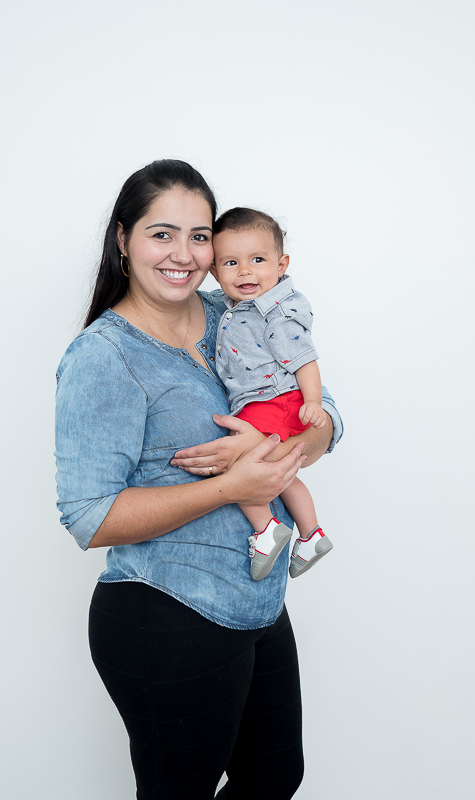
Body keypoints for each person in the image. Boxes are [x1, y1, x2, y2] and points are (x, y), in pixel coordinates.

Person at [55, 159, 343, 800]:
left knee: (274, 777)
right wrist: (231, 485)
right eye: (162, 234)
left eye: (200, 234)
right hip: (167, 616)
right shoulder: (104, 357)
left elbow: (326, 418)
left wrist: (291, 439)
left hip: (260, 605)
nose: (184, 254)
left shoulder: (233, 312)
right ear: (123, 239)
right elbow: (87, 516)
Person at [206, 207, 333, 581]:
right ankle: (311, 534)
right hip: (269, 402)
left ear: (281, 265)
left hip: (271, 401)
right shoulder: (235, 307)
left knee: (242, 467)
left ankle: (266, 529)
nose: (245, 271)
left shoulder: (274, 314)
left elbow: (305, 359)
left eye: (257, 260)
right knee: (284, 475)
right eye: (231, 262)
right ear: (215, 272)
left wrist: (313, 402)